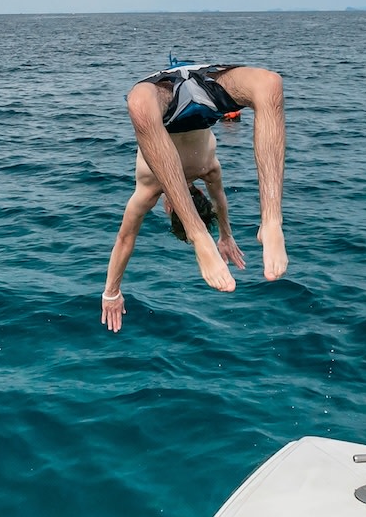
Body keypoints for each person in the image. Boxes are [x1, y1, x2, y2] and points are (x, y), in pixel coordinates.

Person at [100, 62, 287, 332]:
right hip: (198, 91)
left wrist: (225, 236)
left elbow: (219, 201)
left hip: (180, 101)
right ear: (170, 208)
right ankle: (268, 221)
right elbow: (124, 240)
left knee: (270, 83)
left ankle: (247, 226)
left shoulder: (207, 171)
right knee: (270, 83)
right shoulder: (153, 189)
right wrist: (110, 292)